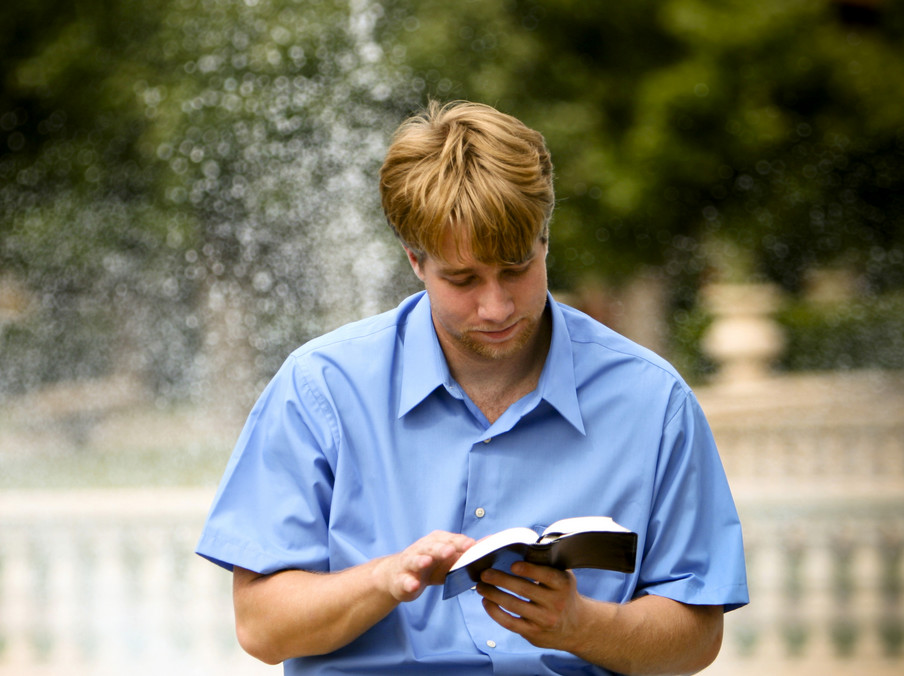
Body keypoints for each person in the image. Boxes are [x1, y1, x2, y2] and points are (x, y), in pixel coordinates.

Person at [196, 100, 748, 675]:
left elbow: (697, 636)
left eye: (517, 268)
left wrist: (581, 625)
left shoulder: (653, 401)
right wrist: (386, 579)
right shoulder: (321, 388)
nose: (497, 305)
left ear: (546, 239)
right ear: (415, 261)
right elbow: (261, 627)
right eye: (462, 279)